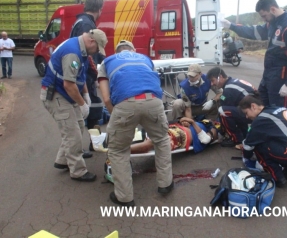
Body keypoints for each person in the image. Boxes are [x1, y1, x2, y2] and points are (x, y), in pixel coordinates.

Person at [98, 40, 173, 207]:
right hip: (153, 101)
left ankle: (124, 197)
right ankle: (165, 184)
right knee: (161, 141)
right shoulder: (145, 58)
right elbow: (155, 85)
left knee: (118, 150)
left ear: (118, 52)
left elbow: (106, 98)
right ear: (133, 50)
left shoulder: (108, 61)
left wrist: (117, 115)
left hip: (125, 104)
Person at [40, 29, 108, 182]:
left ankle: (62, 160)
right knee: (72, 134)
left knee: (77, 126)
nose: (96, 52)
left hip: (63, 94)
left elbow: (79, 76)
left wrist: (85, 95)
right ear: (91, 41)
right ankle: (78, 171)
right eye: (97, 48)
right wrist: (83, 104)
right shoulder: (73, 53)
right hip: (56, 95)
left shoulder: (80, 49)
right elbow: (69, 85)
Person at [221, 0, 287, 109]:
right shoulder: (272, 24)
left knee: (278, 113)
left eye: (264, 16)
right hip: (268, 76)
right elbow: (252, 31)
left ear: (273, 9)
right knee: (261, 107)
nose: (264, 19)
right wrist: (231, 26)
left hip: (281, 79)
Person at [239, 95, 287, 187]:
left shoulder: (260, 120)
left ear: (253, 106)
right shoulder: (277, 108)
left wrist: (247, 157)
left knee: (259, 146)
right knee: (277, 141)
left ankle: (277, 178)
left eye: (246, 113)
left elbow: (248, 146)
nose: (246, 117)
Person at [70, 0, 105, 158]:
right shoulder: (86, 24)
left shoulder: (81, 21)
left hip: (82, 74)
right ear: (99, 9)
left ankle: (94, 142)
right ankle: (93, 143)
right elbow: (88, 51)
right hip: (85, 75)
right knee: (91, 109)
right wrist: (97, 73)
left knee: (90, 109)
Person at [206, 67, 256, 149]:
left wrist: (218, 128)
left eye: (213, 80)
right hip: (256, 109)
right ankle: (244, 135)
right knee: (234, 110)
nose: (212, 84)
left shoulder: (229, 89)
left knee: (222, 111)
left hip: (252, 113)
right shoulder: (233, 82)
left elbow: (224, 112)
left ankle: (236, 139)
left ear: (220, 77)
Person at [130, 118, 219, 154]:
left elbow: (205, 139)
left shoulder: (212, 128)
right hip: (176, 129)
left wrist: (192, 122)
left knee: (156, 142)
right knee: (146, 134)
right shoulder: (201, 123)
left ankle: (122, 150)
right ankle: (122, 144)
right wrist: (185, 123)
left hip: (182, 137)